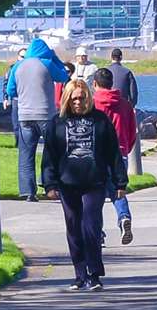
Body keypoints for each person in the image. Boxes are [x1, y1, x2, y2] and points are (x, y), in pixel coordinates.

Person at [44, 78, 124, 287]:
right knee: (73, 228)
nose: (78, 102)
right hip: (67, 183)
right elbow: (49, 156)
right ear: (67, 99)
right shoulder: (56, 123)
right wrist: (49, 184)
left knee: (91, 226)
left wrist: (120, 182)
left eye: (81, 98)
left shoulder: (100, 120)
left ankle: (94, 272)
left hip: (94, 182)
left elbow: (113, 153)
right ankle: (80, 274)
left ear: (88, 98)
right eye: (74, 99)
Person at [7, 33, 65, 198]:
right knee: (52, 151)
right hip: (46, 115)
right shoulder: (46, 63)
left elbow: (10, 91)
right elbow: (63, 76)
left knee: (25, 154)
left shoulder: (17, 66)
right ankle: (49, 184)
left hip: (24, 116)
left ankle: (27, 191)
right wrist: (55, 58)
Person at [95, 59, 140, 244]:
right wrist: (126, 148)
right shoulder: (124, 104)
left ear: (95, 84)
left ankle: (98, 233)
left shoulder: (92, 103)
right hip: (120, 152)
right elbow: (132, 130)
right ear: (112, 82)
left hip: (96, 154)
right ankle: (123, 217)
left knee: (94, 196)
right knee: (118, 191)